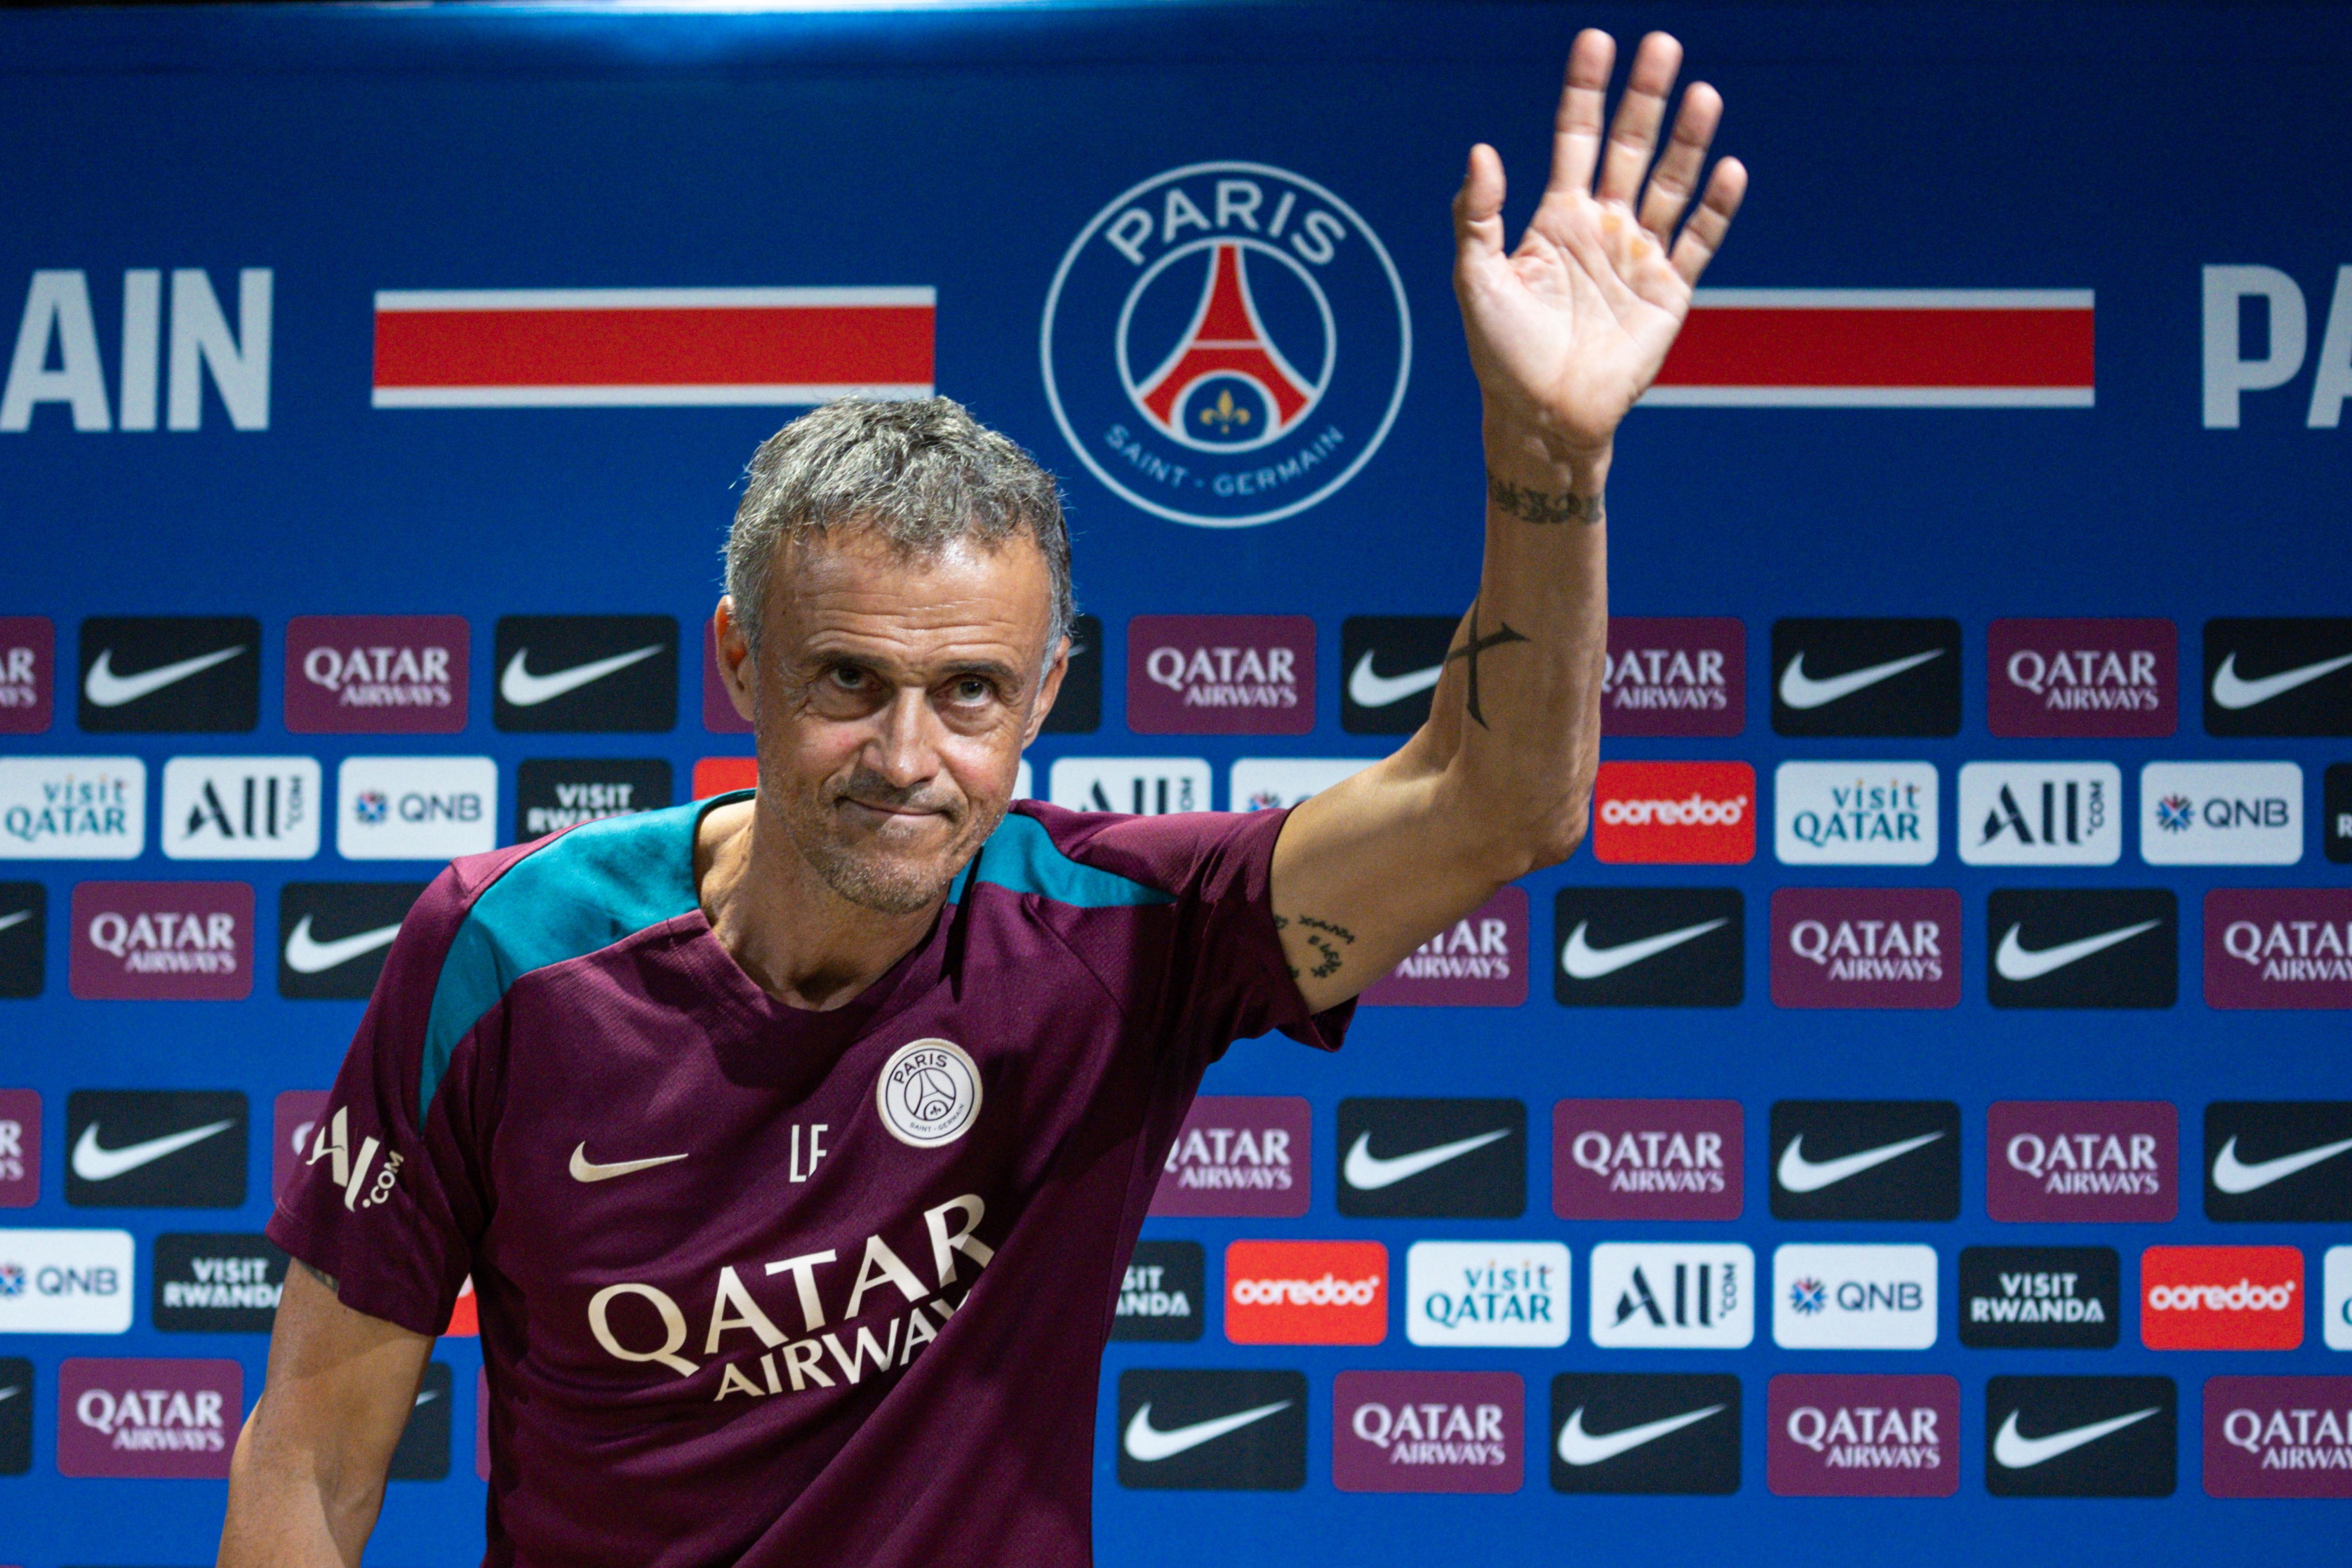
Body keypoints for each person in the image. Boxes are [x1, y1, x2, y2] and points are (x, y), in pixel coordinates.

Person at [219, 28, 1742, 1568]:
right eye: (848, 683)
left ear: (1044, 694)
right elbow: (312, 1463)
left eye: (968, 695)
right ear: (741, 663)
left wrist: (1548, 455)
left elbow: (1500, 807)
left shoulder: (1122, 933)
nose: (905, 759)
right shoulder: (507, 954)